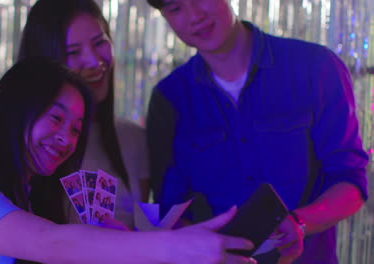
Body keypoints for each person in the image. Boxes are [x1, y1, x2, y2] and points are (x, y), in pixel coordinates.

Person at [0, 57, 257, 264]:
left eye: (75, 129)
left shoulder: (35, 202)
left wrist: (127, 242)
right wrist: (171, 247)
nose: (67, 138)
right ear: (14, 112)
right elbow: (50, 245)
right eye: (56, 119)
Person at [145, 0, 369, 263]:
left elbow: (351, 181)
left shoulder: (316, 67)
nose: (194, 16)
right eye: (175, 9)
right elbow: (170, 212)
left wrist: (300, 223)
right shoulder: (169, 98)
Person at [18, 0, 149, 229]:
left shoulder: (133, 140)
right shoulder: (28, 143)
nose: (94, 62)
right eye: (73, 52)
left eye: (100, 43)